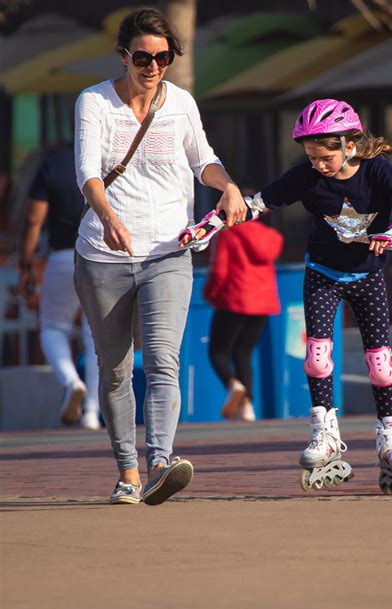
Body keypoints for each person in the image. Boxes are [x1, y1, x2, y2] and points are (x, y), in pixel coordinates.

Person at [180, 98, 392, 495]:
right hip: (322, 274)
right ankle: (325, 434)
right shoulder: (306, 177)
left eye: (325, 157)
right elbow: (254, 205)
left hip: (368, 276)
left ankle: (390, 438)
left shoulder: (378, 173)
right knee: (317, 358)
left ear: (348, 145)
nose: (318, 165)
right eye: (311, 157)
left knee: (381, 364)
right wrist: (211, 226)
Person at [73, 7, 247, 506]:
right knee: (114, 368)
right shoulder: (95, 103)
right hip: (103, 255)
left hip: (170, 250)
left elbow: (203, 162)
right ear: (124, 56)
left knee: (165, 360)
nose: (152, 67)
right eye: (143, 57)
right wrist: (108, 218)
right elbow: (86, 172)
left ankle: (159, 463)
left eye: (163, 57)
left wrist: (229, 186)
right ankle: (127, 471)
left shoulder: (181, 104)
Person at [18, 142, 101, 430]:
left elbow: (33, 220)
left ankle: (71, 381)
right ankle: (91, 412)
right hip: (102, 257)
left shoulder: (53, 164)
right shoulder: (107, 158)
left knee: (53, 326)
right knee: (96, 336)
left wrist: (26, 263)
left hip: (63, 256)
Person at [204, 204, 283, 422]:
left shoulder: (229, 234)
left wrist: (210, 294)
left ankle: (233, 384)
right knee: (244, 353)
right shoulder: (270, 236)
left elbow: (219, 271)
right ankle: (246, 407)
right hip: (263, 304)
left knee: (218, 351)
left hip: (235, 300)